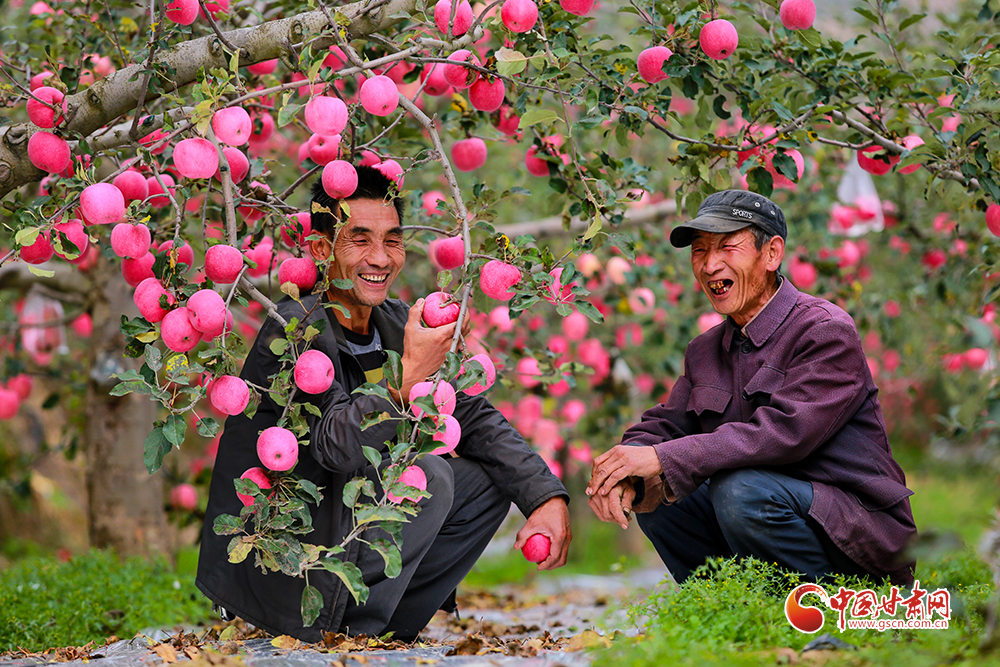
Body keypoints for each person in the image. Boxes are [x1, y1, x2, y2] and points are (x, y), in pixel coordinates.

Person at [197, 166, 571, 641]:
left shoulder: (395, 323)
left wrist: (545, 496)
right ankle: (342, 628)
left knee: (487, 482)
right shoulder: (296, 330)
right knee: (428, 474)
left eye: (392, 241)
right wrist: (407, 377)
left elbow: (473, 415)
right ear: (321, 249)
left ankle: (382, 629)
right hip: (293, 561)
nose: (380, 258)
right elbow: (334, 446)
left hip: (348, 526)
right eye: (359, 240)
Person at [586, 189, 916, 586]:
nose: (710, 265)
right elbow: (667, 425)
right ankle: (734, 607)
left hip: (854, 530)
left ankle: (824, 606)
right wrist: (628, 470)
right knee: (662, 497)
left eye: (728, 247)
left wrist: (661, 458)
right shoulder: (705, 351)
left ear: (772, 254)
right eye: (699, 251)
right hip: (765, 508)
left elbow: (783, 435)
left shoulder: (824, 330)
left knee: (738, 490)